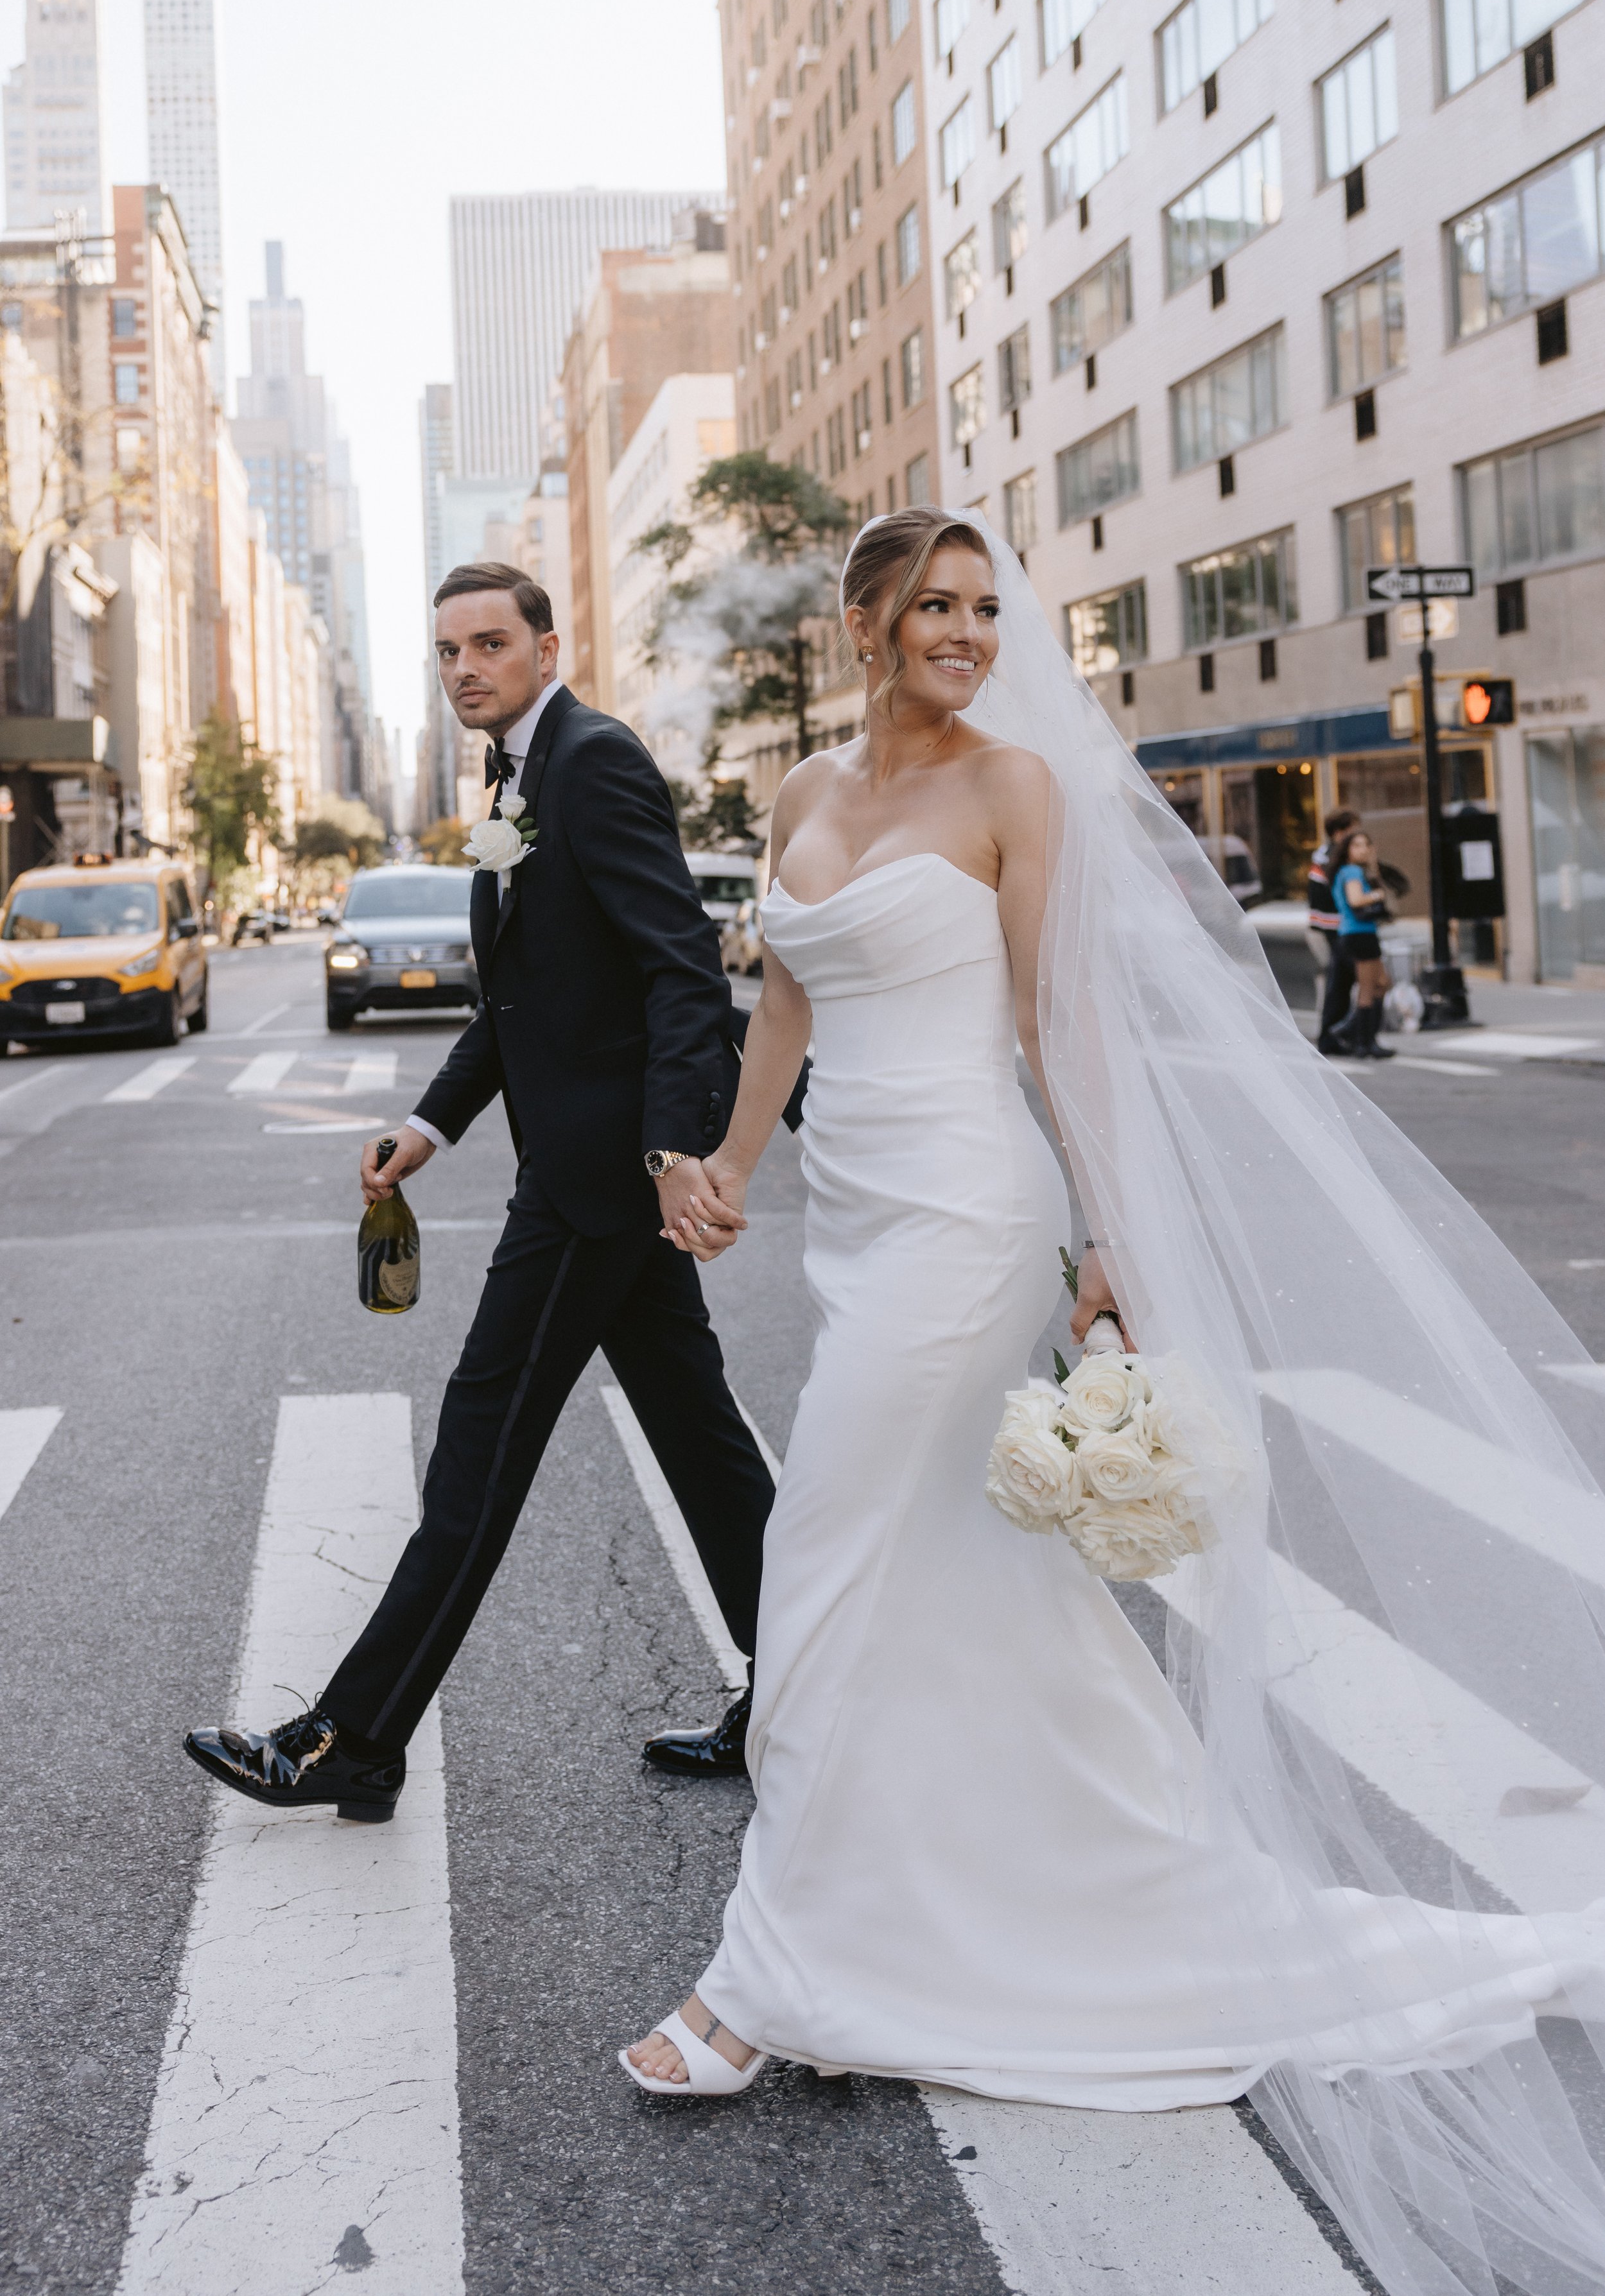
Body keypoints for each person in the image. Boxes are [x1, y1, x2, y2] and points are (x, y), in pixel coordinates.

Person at [621, 509, 1605, 2296]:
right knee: (959, 1588)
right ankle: (1050, 1887)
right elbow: (778, 999)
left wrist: (1110, 1237)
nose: (970, 636)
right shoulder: (797, 803)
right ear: (861, 622)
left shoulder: (1015, 789)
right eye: (937, 608)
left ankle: (765, 1977)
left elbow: (1058, 1022)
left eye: (989, 613)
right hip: (854, 1221)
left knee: (821, 1561)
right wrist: (730, 1166)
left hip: (973, 1219)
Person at [186, 560, 802, 1815]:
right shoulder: (517, 774)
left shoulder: (591, 760)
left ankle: (350, 1734)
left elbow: (682, 967)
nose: (466, 666)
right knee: (705, 1445)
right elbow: (525, 998)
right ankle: (803, 1697)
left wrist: (664, 1151)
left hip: (592, 1187)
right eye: (448, 649)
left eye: (488, 643)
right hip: (591, 1174)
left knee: (474, 1456)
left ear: (544, 644)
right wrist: (429, 1123)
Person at [1327, 824, 1393, 1060]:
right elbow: (1356, 900)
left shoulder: (1349, 872)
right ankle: (1364, 1042)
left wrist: (1373, 862)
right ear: (1347, 849)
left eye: (1367, 845)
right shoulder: (1352, 872)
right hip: (1359, 934)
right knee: (1368, 990)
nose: (1363, 849)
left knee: (1382, 983)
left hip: (1359, 934)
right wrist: (1377, 896)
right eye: (1357, 845)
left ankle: (1353, 1032)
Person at [1306, 806, 1359, 1054]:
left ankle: (1335, 1033)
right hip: (1334, 925)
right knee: (1340, 981)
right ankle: (1334, 1034)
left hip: (1329, 924)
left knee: (1342, 981)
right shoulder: (1332, 858)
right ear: (1340, 832)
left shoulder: (1324, 855)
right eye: (1352, 830)